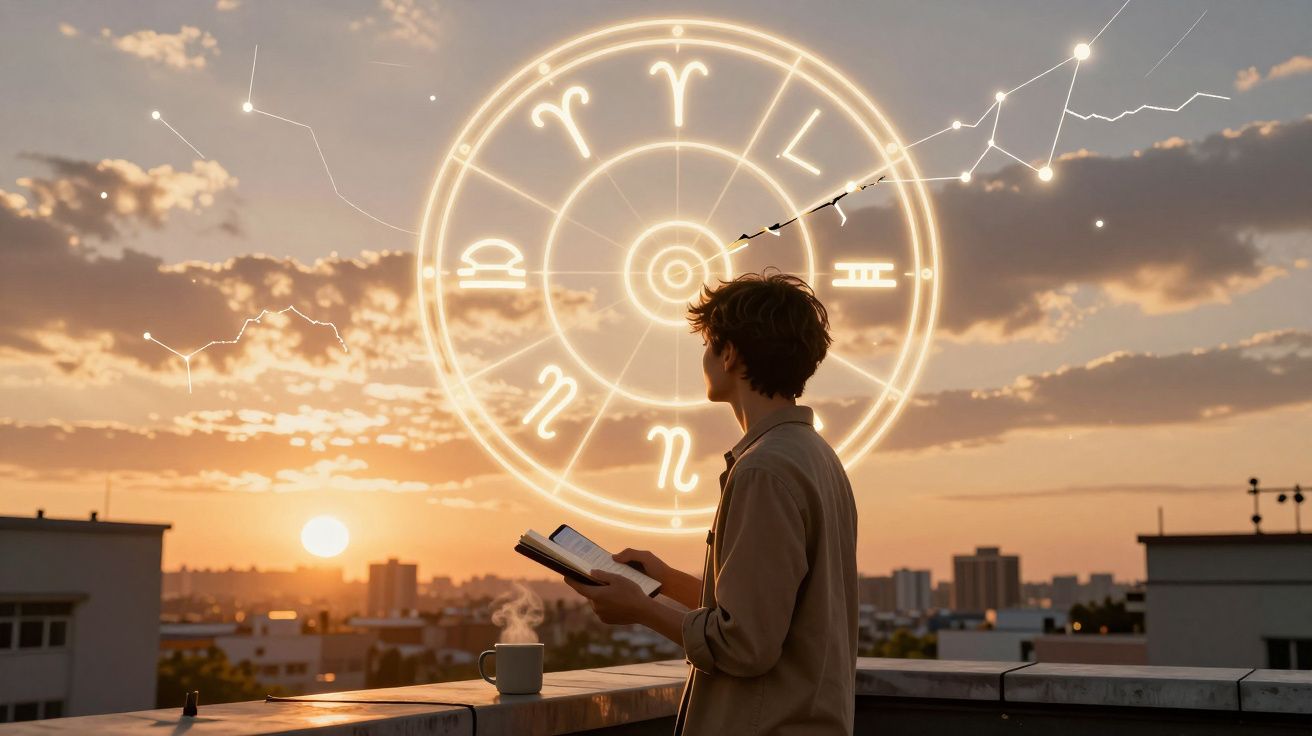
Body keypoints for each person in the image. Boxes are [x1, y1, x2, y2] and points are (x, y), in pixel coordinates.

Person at [564, 270, 858, 735]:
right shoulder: (816, 456)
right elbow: (767, 605)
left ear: (730, 353)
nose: (703, 358)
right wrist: (664, 580)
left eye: (707, 344)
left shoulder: (763, 470)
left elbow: (745, 644)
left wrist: (641, 609)